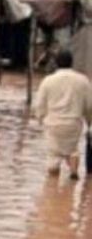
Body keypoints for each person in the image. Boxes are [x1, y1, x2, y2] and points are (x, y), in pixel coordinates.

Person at [33, 49, 92, 180]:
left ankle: (54, 189)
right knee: (73, 150)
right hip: (74, 123)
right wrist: (89, 123)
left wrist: (40, 118)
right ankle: (73, 171)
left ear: (56, 63)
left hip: (53, 124)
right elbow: (89, 106)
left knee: (53, 156)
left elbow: (40, 105)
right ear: (72, 62)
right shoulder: (83, 80)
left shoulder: (48, 81)